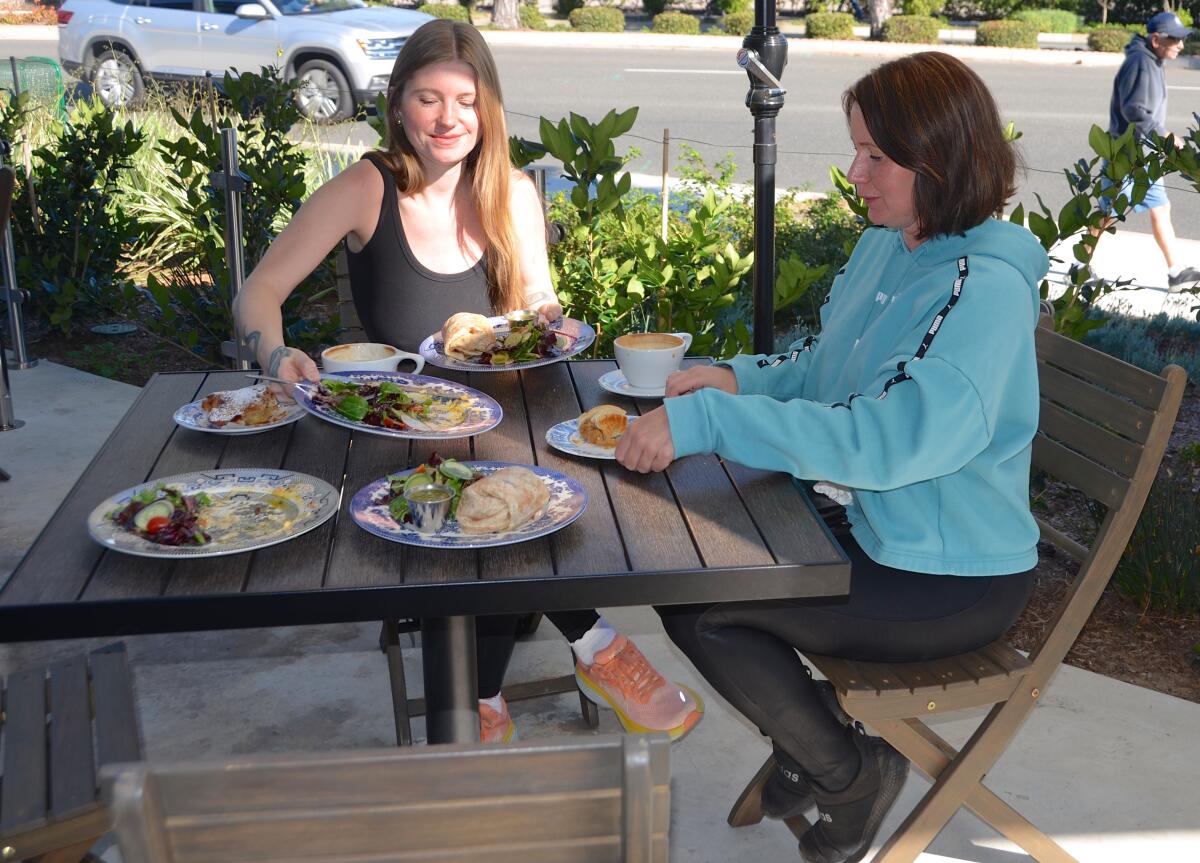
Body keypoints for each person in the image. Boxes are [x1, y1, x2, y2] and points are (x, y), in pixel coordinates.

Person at [616, 52, 1046, 863]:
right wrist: (734, 380)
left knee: (704, 603)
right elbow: (826, 366)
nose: (856, 173)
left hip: (947, 572)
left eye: (877, 156)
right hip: (871, 529)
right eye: (857, 150)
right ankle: (820, 746)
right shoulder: (895, 244)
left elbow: (883, 439)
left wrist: (714, 423)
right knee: (686, 571)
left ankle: (843, 772)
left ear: (942, 158)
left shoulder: (979, 289)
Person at [233, 19, 702, 744]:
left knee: (564, 479)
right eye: (427, 98)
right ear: (398, 106)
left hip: (507, 422)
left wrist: (549, 320)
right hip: (396, 438)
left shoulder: (513, 192)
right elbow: (256, 292)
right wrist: (276, 356)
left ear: (488, 109)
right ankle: (594, 645)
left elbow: (540, 306)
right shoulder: (367, 187)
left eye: (464, 99)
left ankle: (480, 693)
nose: (447, 118)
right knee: (505, 494)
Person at [1095, 11, 1200, 293]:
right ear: (1156, 39)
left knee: (1160, 206)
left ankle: (1176, 272)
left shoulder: (1152, 60)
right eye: (1175, 39)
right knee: (1108, 214)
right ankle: (1080, 267)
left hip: (1144, 153)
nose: (1180, 44)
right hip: (1127, 154)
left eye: (1182, 39)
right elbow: (1133, 110)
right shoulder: (1139, 63)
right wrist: (1164, 135)